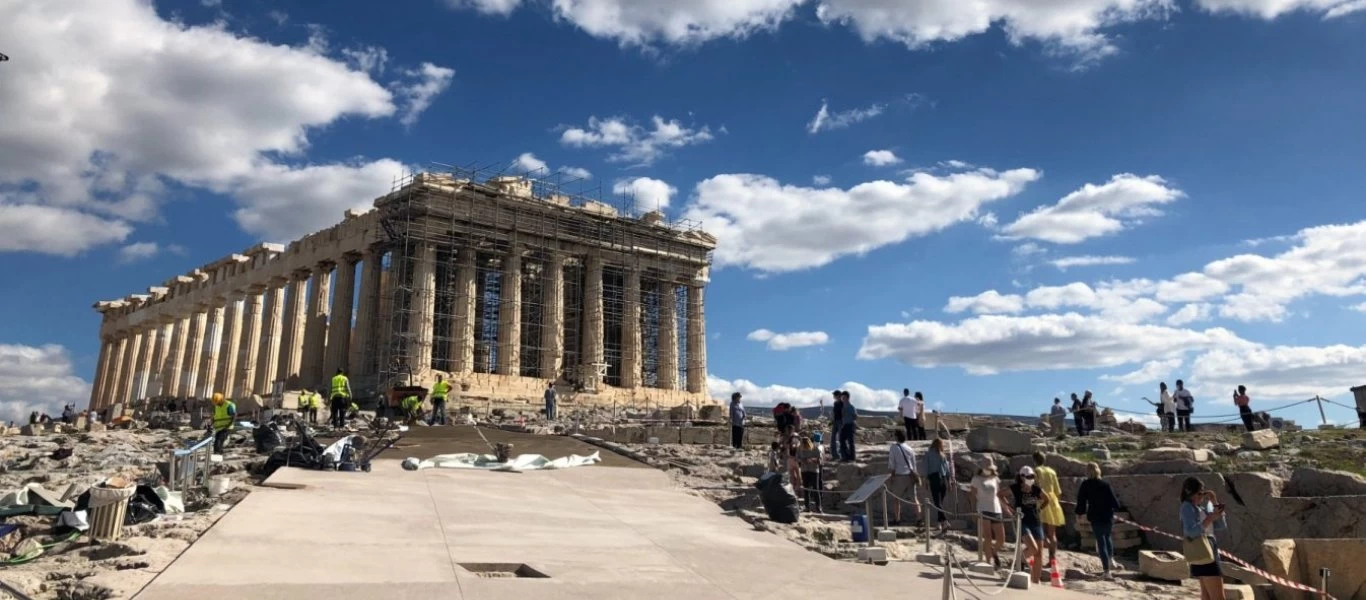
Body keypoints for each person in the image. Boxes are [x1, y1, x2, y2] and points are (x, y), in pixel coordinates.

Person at [1180, 477, 1227, 600]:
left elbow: (1221, 526)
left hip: (1208, 549)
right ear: (1190, 492)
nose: (1202, 495)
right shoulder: (1187, 507)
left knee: (1207, 596)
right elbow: (1190, 532)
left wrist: (1214, 502)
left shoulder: (1200, 509)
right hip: (1203, 549)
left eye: (1203, 492)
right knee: (1218, 597)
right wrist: (1210, 518)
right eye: (1199, 492)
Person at [1075, 462, 1122, 579]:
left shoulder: (1086, 485)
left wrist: (1079, 513)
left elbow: (1081, 500)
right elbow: (1115, 503)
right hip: (1107, 515)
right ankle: (1111, 560)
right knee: (1108, 537)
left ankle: (1106, 571)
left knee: (1101, 542)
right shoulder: (1105, 484)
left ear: (1087, 472)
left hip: (1095, 516)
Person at [1010, 466, 1050, 584]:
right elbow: (999, 494)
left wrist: (1040, 509)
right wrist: (1009, 509)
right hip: (1023, 520)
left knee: (1039, 553)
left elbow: (1047, 499)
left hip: (1035, 521)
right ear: (1021, 477)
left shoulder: (1036, 489)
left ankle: (1036, 580)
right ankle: (1020, 560)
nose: (1030, 478)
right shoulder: (1016, 488)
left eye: (1032, 476)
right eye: (1028, 476)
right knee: (1033, 548)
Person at [971, 464, 1008, 570]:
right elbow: (972, 496)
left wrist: (1007, 508)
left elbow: (998, 494)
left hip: (996, 509)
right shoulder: (976, 479)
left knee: (1001, 539)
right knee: (988, 537)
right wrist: (973, 511)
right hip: (983, 509)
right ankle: (988, 562)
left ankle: (993, 552)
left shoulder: (995, 478)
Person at [1033, 452, 1066, 566]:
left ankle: (1039, 557)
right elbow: (1058, 491)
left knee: (1040, 531)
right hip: (1053, 500)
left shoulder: (1037, 470)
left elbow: (1035, 487)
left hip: (1041, 500)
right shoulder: (1052, 471)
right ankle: (1052, 559)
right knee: (1052, 534)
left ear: (1034, 460)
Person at [886, 429, 921, 525]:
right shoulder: (910, 449)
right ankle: (919, 518)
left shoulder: (894, 447)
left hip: (900, 476)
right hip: (910, 475)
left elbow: (892, 463)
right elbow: (914, 465)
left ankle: (897, 519)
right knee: (914, 498)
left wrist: (891, 476)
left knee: (896, 498)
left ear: (897, 437)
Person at [925, 438, 951, 530]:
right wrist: (949, 481)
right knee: (939, 502)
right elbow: (947, 469)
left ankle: (945, 521)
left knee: (937, 502)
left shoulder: (928, 454)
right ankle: (940, 522)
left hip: (934, 478)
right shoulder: (943, 455)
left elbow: (926, 468)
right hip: (943, 479)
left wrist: (926, 480)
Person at [797, 435, 824, 513]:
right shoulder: (799, 449)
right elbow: (797, 458)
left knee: (815, 489)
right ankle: (807, 507)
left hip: (814, 470)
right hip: (804, 470)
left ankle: (818, 507)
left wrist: (814, 460)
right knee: (806, 489)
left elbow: (820, 460)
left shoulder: (815, 449)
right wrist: (803, 460)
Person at [839, 391, 858, 461]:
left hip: (850, 425)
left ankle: (852, 457)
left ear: (847, 397)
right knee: (841, 440)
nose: (842, 398)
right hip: (844, 426)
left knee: (851, 442)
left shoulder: (851, 407)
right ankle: (845, 456)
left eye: (843, 397)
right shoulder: (841, 407)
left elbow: (855, 416)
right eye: (842, 397)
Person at [829, 390, 844, 458]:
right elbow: (834, 413)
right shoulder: (835, 403)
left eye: (834, 395)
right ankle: (835, 455)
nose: (833, 396)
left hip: (841, 422)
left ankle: (843, 454)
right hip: (835, 421)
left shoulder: (843, 403)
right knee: (833, 438)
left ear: (838, 395)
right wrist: (832, 420)